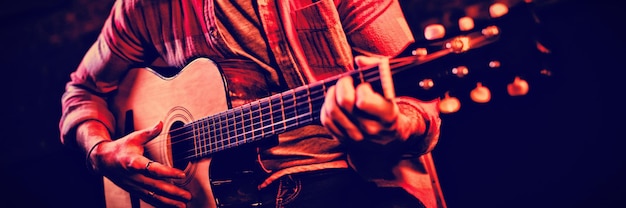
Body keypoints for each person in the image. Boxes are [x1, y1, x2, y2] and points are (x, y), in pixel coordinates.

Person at [59, 0, 442, 207]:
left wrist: (396, 124)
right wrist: (100, 151)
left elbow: (416, 105)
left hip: (340, 176)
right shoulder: (142, 8)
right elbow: (82, 90)